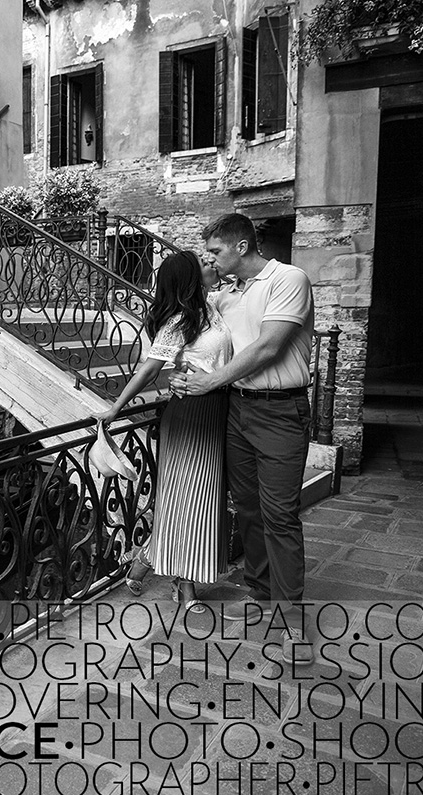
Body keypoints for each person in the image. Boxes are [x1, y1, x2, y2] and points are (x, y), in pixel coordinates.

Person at [169, 213, 315, 665]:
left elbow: (268, 348)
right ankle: (261, 591)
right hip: (236, 409)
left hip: (280, 411)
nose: (210, 260)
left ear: (242, 246)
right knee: (247, 508)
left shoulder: (289, 278)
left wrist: (210, 384)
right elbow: (204, 344)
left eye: (215, 251)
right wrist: (182, 374)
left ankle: (292, 623)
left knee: (280, 515)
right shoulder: (225, 298)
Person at [97, 251, 231, 612]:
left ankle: (142, 561)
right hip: (189, 415)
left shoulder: (213, 307)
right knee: (186, 501)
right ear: (190, 277)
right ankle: (184, 587)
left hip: (217, 410)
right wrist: (115, 408)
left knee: (203, 500)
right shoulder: (177, 322)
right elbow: (147, 371)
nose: (211, 266)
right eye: (202, 264)